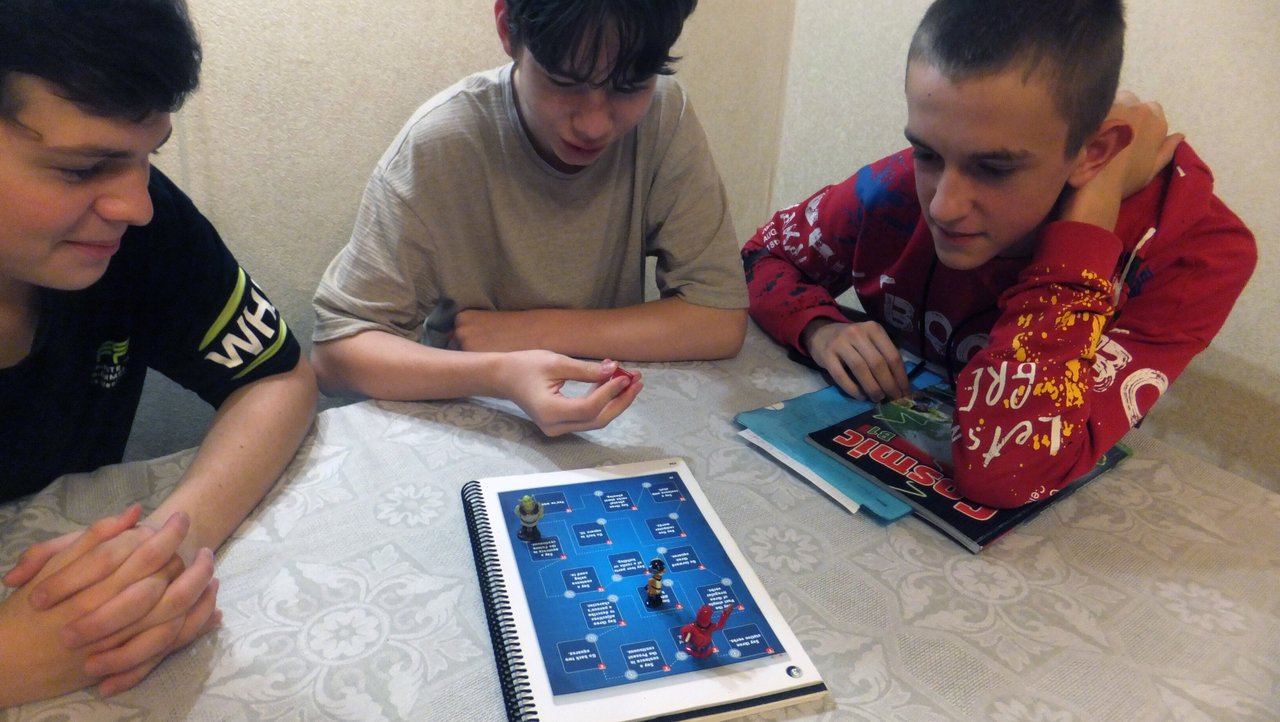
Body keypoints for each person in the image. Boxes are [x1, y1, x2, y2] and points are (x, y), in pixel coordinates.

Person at [742, 0, 1256, 508]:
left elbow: (1007, 473)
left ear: (1095, 152)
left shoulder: (1200, 256)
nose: (942, 207)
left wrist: (1086, 225)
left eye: (994, 168)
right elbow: (758, 256)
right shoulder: (894, 186)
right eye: (926, 152)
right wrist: (819, 327)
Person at [0, 0, 317, 705]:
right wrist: (11, 661)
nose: (135, 205)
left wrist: (163, 548)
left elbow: (278, 378)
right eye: (82, 169)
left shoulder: (138, 231)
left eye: (150, 154)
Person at [311, 0, 749, 436]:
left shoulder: (663, 115)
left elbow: (719, 318)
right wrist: (499, 373)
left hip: (611, 416)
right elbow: (335, 354)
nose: (594, 124)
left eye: (630, 84)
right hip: (467, 413)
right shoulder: (441, 145)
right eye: (564, 81)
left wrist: (532, 330)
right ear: (508, 29)